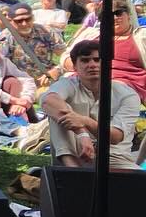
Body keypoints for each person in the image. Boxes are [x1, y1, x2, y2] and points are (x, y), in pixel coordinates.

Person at [42, 40, 139, 170]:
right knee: (57, 109)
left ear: (108, 64)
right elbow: (48, 101)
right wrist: (82, 133)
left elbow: (115, 137)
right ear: (75, 66)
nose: (92, 65)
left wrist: (84, 121)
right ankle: (73, 171)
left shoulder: (127, 95)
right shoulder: (68, 84)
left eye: (97, 60)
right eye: (85, 60)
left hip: (114, 158)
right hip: (76, 155)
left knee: (137, 182)